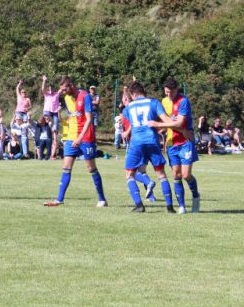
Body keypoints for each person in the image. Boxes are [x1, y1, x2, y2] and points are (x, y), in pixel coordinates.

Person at [44, 76, 107, 208]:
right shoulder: (67, 98)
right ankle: (59, 199)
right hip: (71, 137)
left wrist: (80, 138)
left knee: (91, 168)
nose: (63, 92)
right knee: (66, 168)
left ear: (71, 85)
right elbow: (72, 116)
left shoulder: (85, 96)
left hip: (86, 138)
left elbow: (89, 119)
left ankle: (102, 199)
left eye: (64, 89)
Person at [120, 82, 178, 213]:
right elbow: (167, 121)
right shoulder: (154, 103)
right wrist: (177, 125)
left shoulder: (127, 109)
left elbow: (132, 123)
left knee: (129, 174)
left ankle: (139, 205)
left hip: (136, 143)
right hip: (152, 141)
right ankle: (170, 207)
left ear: (133, 94)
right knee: (161, 174)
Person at [148, 77, 201, 213]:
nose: (168, 95)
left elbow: (179, 123)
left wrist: (159, 124)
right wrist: (160, 128)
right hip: (172, 143)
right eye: (166, 92)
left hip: (186, 142)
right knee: (176, 174)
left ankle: (196, 196)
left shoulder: (183, 101)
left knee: (186, 175)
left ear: (177, 89)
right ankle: (182, 206)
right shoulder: (164, 101)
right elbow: (165, 122)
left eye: (171, 92)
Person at [41, 75, 60, 159]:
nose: (51, 89)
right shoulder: (47, 94)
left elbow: (62, 88)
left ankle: (53, 154)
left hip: (55, 112)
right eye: (50, 88)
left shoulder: (56, 94)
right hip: (47, 112)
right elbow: (43, 89)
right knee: (49, 128)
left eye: (52, 87)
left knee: (55, 131)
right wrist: (44, 80)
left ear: (54, 88)